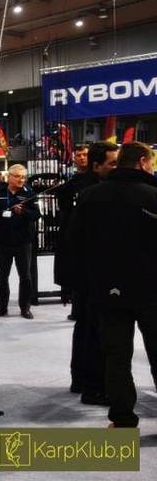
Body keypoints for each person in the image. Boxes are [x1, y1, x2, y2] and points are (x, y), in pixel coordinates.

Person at [71, 142, 157, 428]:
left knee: (116, 358)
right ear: (142, 162)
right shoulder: (153, 195)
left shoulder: (90, 196)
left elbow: (75, 244)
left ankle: (122, 420)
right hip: (151, 290)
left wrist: (83, 285)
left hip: (107, 290)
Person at [63, 141, 118, 403]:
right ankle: (91, 384)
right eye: (113, 163)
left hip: (84, 271)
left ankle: (81, 379)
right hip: (90, 272)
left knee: (86, 325)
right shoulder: (91, 192)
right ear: (97, 166)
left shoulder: (83, 188)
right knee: (92, 328)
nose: (117, 168)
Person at [0, 164, 39, 319]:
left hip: (23, 241)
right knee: (2, 276)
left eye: (23, 177)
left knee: (25, 276)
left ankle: (25, 307)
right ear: (9, 177)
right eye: (18, 176)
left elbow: (36, 214)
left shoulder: (29, 193)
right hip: (3, 240)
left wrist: (24, 211)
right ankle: (2, 307)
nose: (21, 179)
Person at [54, 144, 91, 315]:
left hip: (92, 235)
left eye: (85, 155)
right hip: (74, 233)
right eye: (79, 155)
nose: (82, 158)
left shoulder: (97, 181)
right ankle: (76, 308)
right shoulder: (70, 184)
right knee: (75, 271)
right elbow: (64, 208)